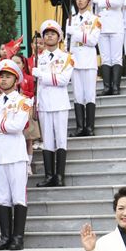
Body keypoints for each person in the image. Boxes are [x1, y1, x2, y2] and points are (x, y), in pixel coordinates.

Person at [0, 59, 32, 251]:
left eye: (8, 77)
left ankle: (18, 237)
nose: (3, 80)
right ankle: (5, 237)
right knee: (2, 197)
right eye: (1, 77)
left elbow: (17, 126)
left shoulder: (23, 102)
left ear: (16, 79)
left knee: (18, 196)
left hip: (15, 153)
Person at [32, 19, 74, 188]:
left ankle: (60, 175)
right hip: (44, 103)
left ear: (59, 37)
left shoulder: (66, 57)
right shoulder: (38, 58)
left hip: (60, 102)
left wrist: (42, 76)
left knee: (61, 140)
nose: (49, 36)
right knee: (47, 140)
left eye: (53, 34)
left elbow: (63, 79)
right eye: (46, 34)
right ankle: (49, 176)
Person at [66, 0, 101, 138]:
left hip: (88, 58)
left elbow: (93, 40)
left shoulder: (95, 20)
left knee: (89, 95)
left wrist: (76, 33)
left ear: (89, 0)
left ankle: (90, 127)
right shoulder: (71, 20)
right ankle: (80, 127)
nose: (80, 1)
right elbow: (69, 43)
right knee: (78, 95)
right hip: (75, 59)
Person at [95, 0, 126, 95]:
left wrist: (99, 0)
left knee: (116, 57)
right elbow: (96, 8)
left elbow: (117, 2)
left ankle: (116, 86)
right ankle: (107, 87)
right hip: (102, 26)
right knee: (105, 57)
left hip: (116, 26)